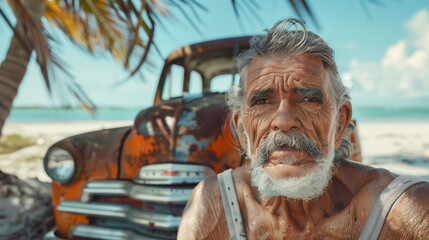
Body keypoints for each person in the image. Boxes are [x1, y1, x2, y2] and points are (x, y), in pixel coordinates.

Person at [177, 18, 429, 239]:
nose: (284, 120)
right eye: (262, 101)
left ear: (340, 123)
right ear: (242, 131)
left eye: (308, 98)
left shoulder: (406, 214)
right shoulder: (212, 207)